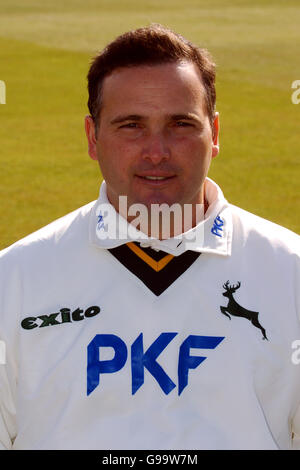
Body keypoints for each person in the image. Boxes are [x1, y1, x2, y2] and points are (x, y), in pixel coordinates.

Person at [0, 24, 299, 451]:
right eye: (131, 126)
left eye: (180, 124)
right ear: (92, 137)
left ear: (214, 135)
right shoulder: (13, 279)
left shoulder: (290, 272)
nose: (156, 151)